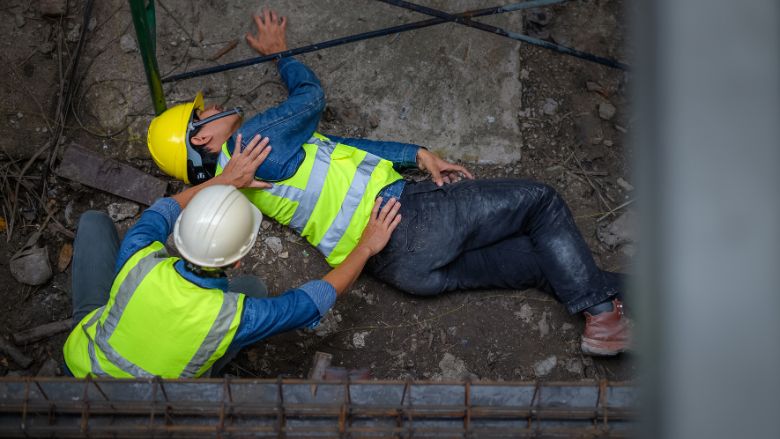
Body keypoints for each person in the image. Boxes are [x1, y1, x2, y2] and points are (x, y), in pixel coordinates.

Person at [146, 9, 629, 356]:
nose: (211, 108)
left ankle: (636, 299)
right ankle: (604, 321)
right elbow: (311, 97)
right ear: (203, 138)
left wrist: (415, 154)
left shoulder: (243, 179)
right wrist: (282, 54)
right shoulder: (251, 141)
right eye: (202, 113)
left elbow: (337, 146)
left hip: (401, 269)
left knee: (537, 261)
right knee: (540, 204)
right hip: (410, 221)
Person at [63, 134, 402, 378]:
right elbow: (310, 303)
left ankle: (100, 320)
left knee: (94, 222)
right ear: (237, 260)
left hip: (82, 367)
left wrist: (224, 179)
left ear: (179, 237)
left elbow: (162, 210)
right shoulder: (231, 318)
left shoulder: (138, 257)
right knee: (252, 288)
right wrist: (367, 246)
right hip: (156, 410)